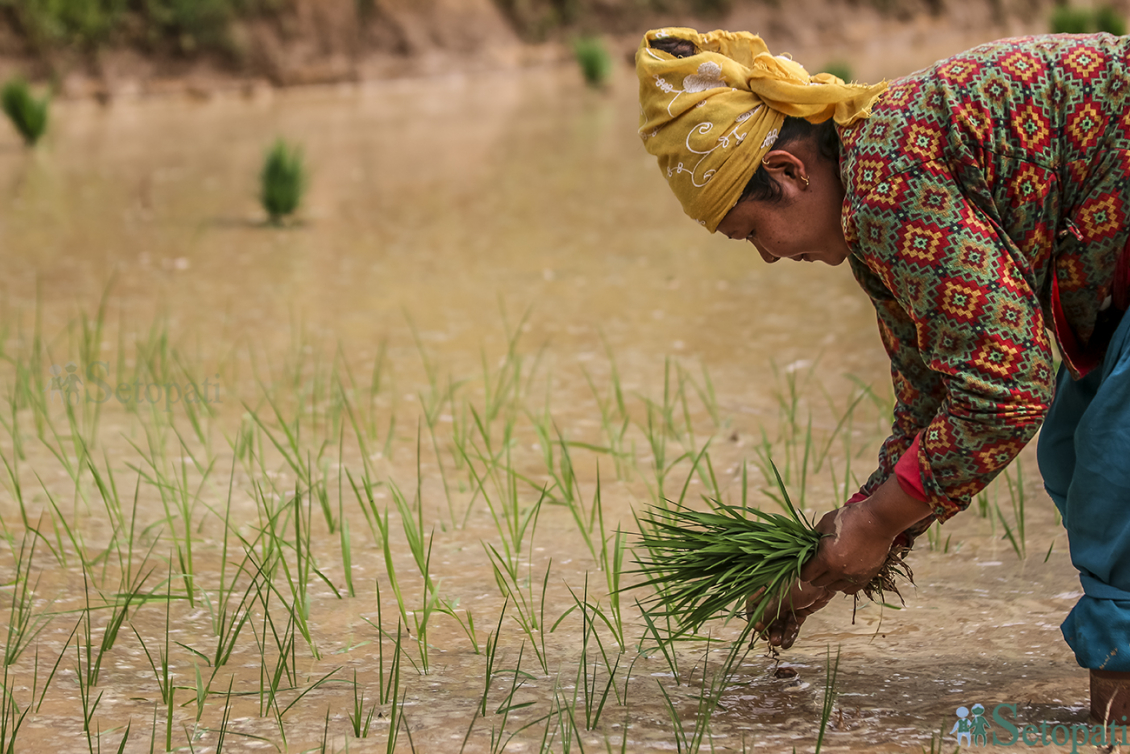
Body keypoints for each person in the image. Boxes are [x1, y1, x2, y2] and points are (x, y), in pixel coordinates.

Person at [636, 28, 1130, 723]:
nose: (768, 258)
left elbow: (1007, 391)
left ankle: (1113, 728)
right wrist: (838, 557)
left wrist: (876, 521)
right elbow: (934, 399)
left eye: (750, 231)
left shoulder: (887, 180)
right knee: (1080, 451)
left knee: (1117, 477)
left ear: (790, 172)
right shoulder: (877, 198)